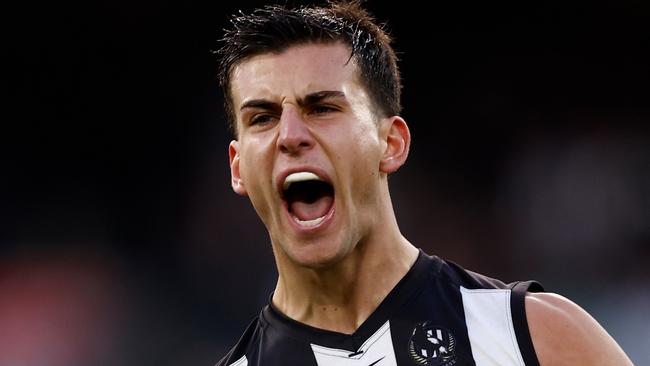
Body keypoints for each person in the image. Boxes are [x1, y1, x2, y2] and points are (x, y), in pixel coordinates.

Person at [214, 1, 633, 365]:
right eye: (262, 118)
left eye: (322, 108)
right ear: (238, 168)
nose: (289, 135)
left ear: (391, 144)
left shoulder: (536, 338)